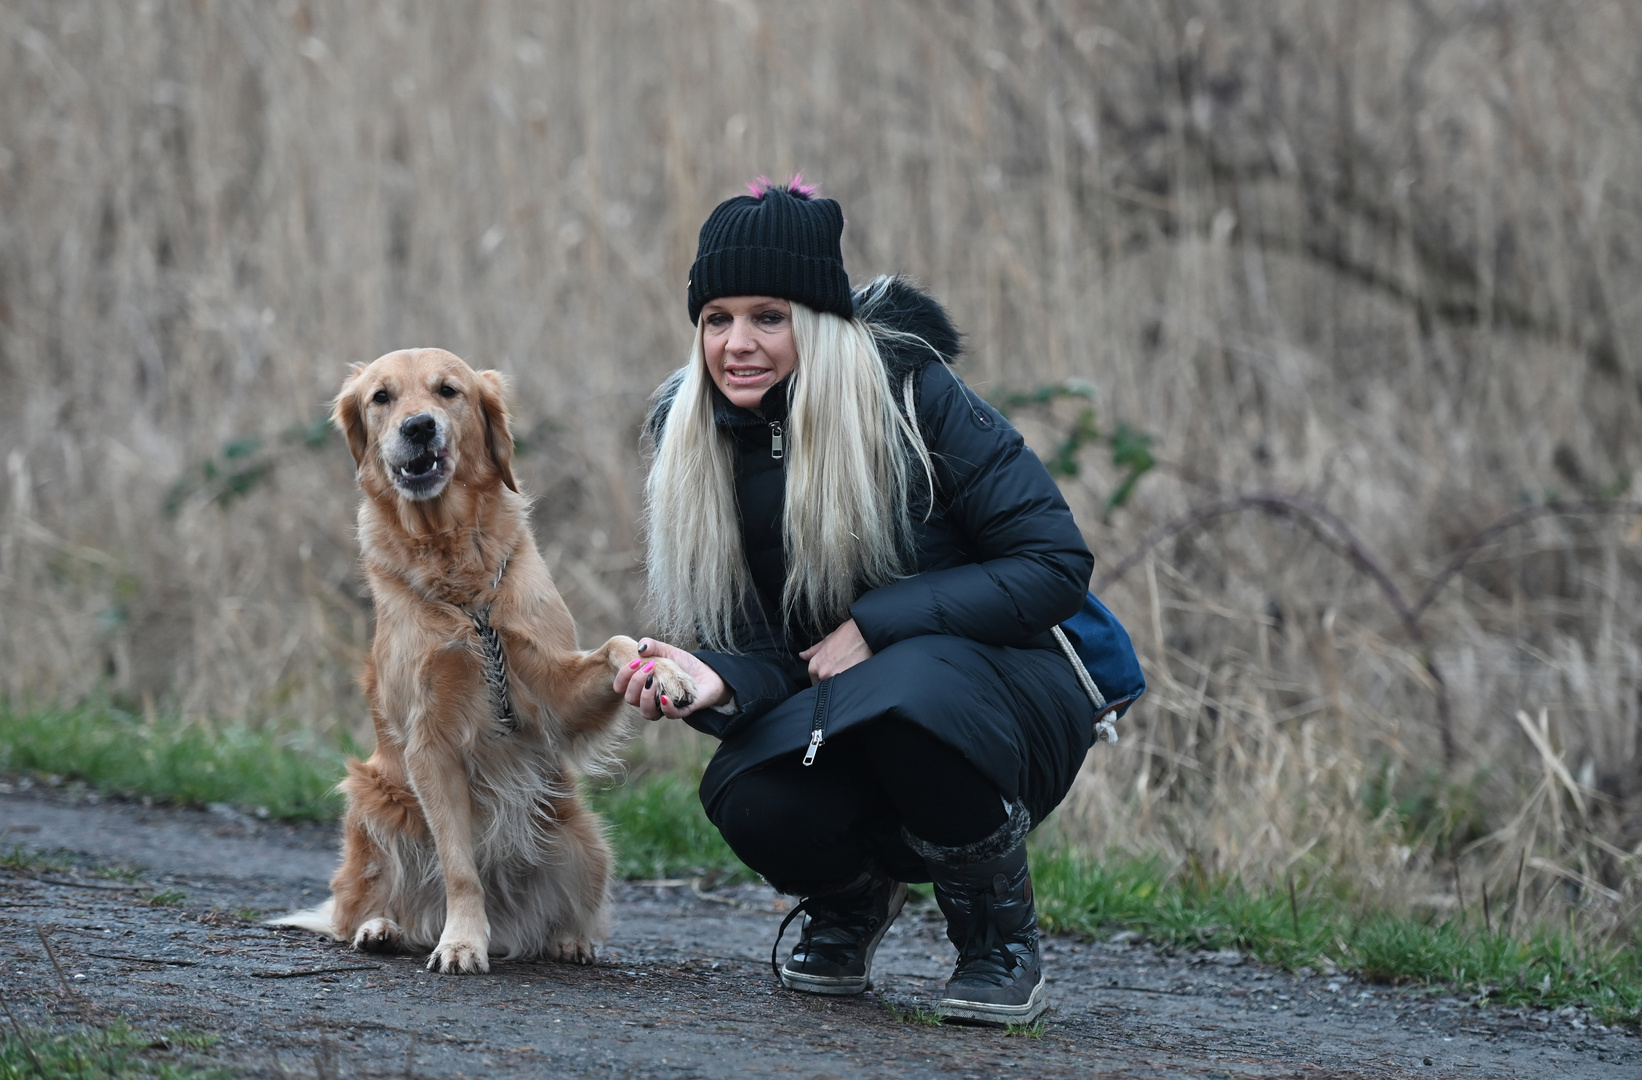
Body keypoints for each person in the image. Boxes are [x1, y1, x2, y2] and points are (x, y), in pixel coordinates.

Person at [613, 177, 1107, 1026]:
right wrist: (715, 682)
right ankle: (851, 900)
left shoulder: (915, 398)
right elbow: (778, 654)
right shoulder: (690, 442)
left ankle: (997, 939)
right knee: (747, 790)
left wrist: (877, 627)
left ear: (818, 320)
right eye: (716, 319)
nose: (737, 343)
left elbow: (1054, 564)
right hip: (848, 708)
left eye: (769, 316)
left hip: (1006, 700)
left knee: (907, 693)